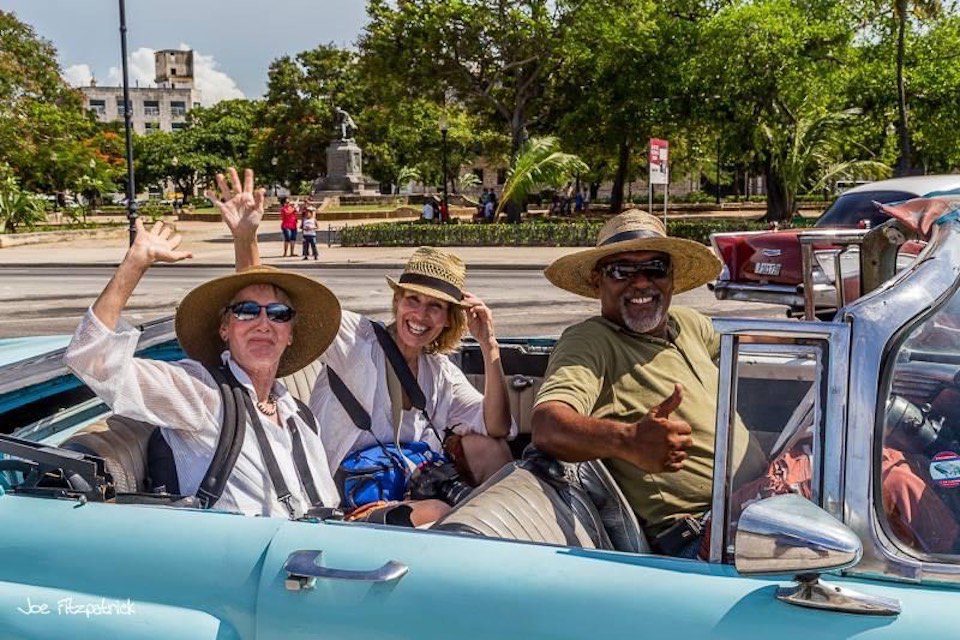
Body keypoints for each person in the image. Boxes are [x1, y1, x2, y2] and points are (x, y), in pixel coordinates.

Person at [222, 169, 516, 524]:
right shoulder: (356, 340)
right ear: (397, 302)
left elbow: (497, 427)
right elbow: (265, 310)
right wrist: (245, 238)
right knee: (440, 512)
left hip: (404, 490)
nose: (419, 315)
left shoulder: (439, 371)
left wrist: (490, 346)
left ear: (448, 319)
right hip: (344, 500)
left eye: (434, 306)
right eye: (412, 300)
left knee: (492, 450)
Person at [64, 168, 342, 518]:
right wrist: (135, 264)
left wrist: (246, 240)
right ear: (224, 329)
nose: (262, 322)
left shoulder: (298, 414)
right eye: (244, 312)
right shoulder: (201, 393)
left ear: (290, 334)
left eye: (278, 313)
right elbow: (93, 359)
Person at [530, 209, 763, 557]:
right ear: (598, 282)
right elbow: (546, 425)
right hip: (704, 535)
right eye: (621, 271)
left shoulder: (688, 324)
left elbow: (751, 348)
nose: (640, 283)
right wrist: (629, 441)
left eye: (655, 268)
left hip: (762, 501)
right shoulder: (590, 340)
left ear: (671, 278)